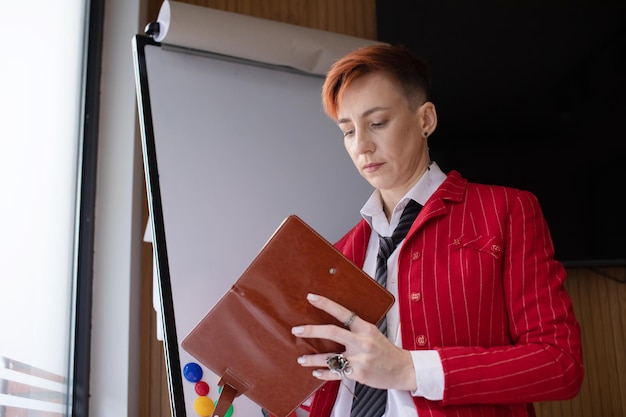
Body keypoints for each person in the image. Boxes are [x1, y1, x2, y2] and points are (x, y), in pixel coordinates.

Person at [289, 44, 584, 417]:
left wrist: (409, 370)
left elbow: (559, 364)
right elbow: (334, 382)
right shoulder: (339, 252)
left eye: (377, 123)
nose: (361, 145)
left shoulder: (506, 212)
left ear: (426, 119)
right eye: (348, 131)